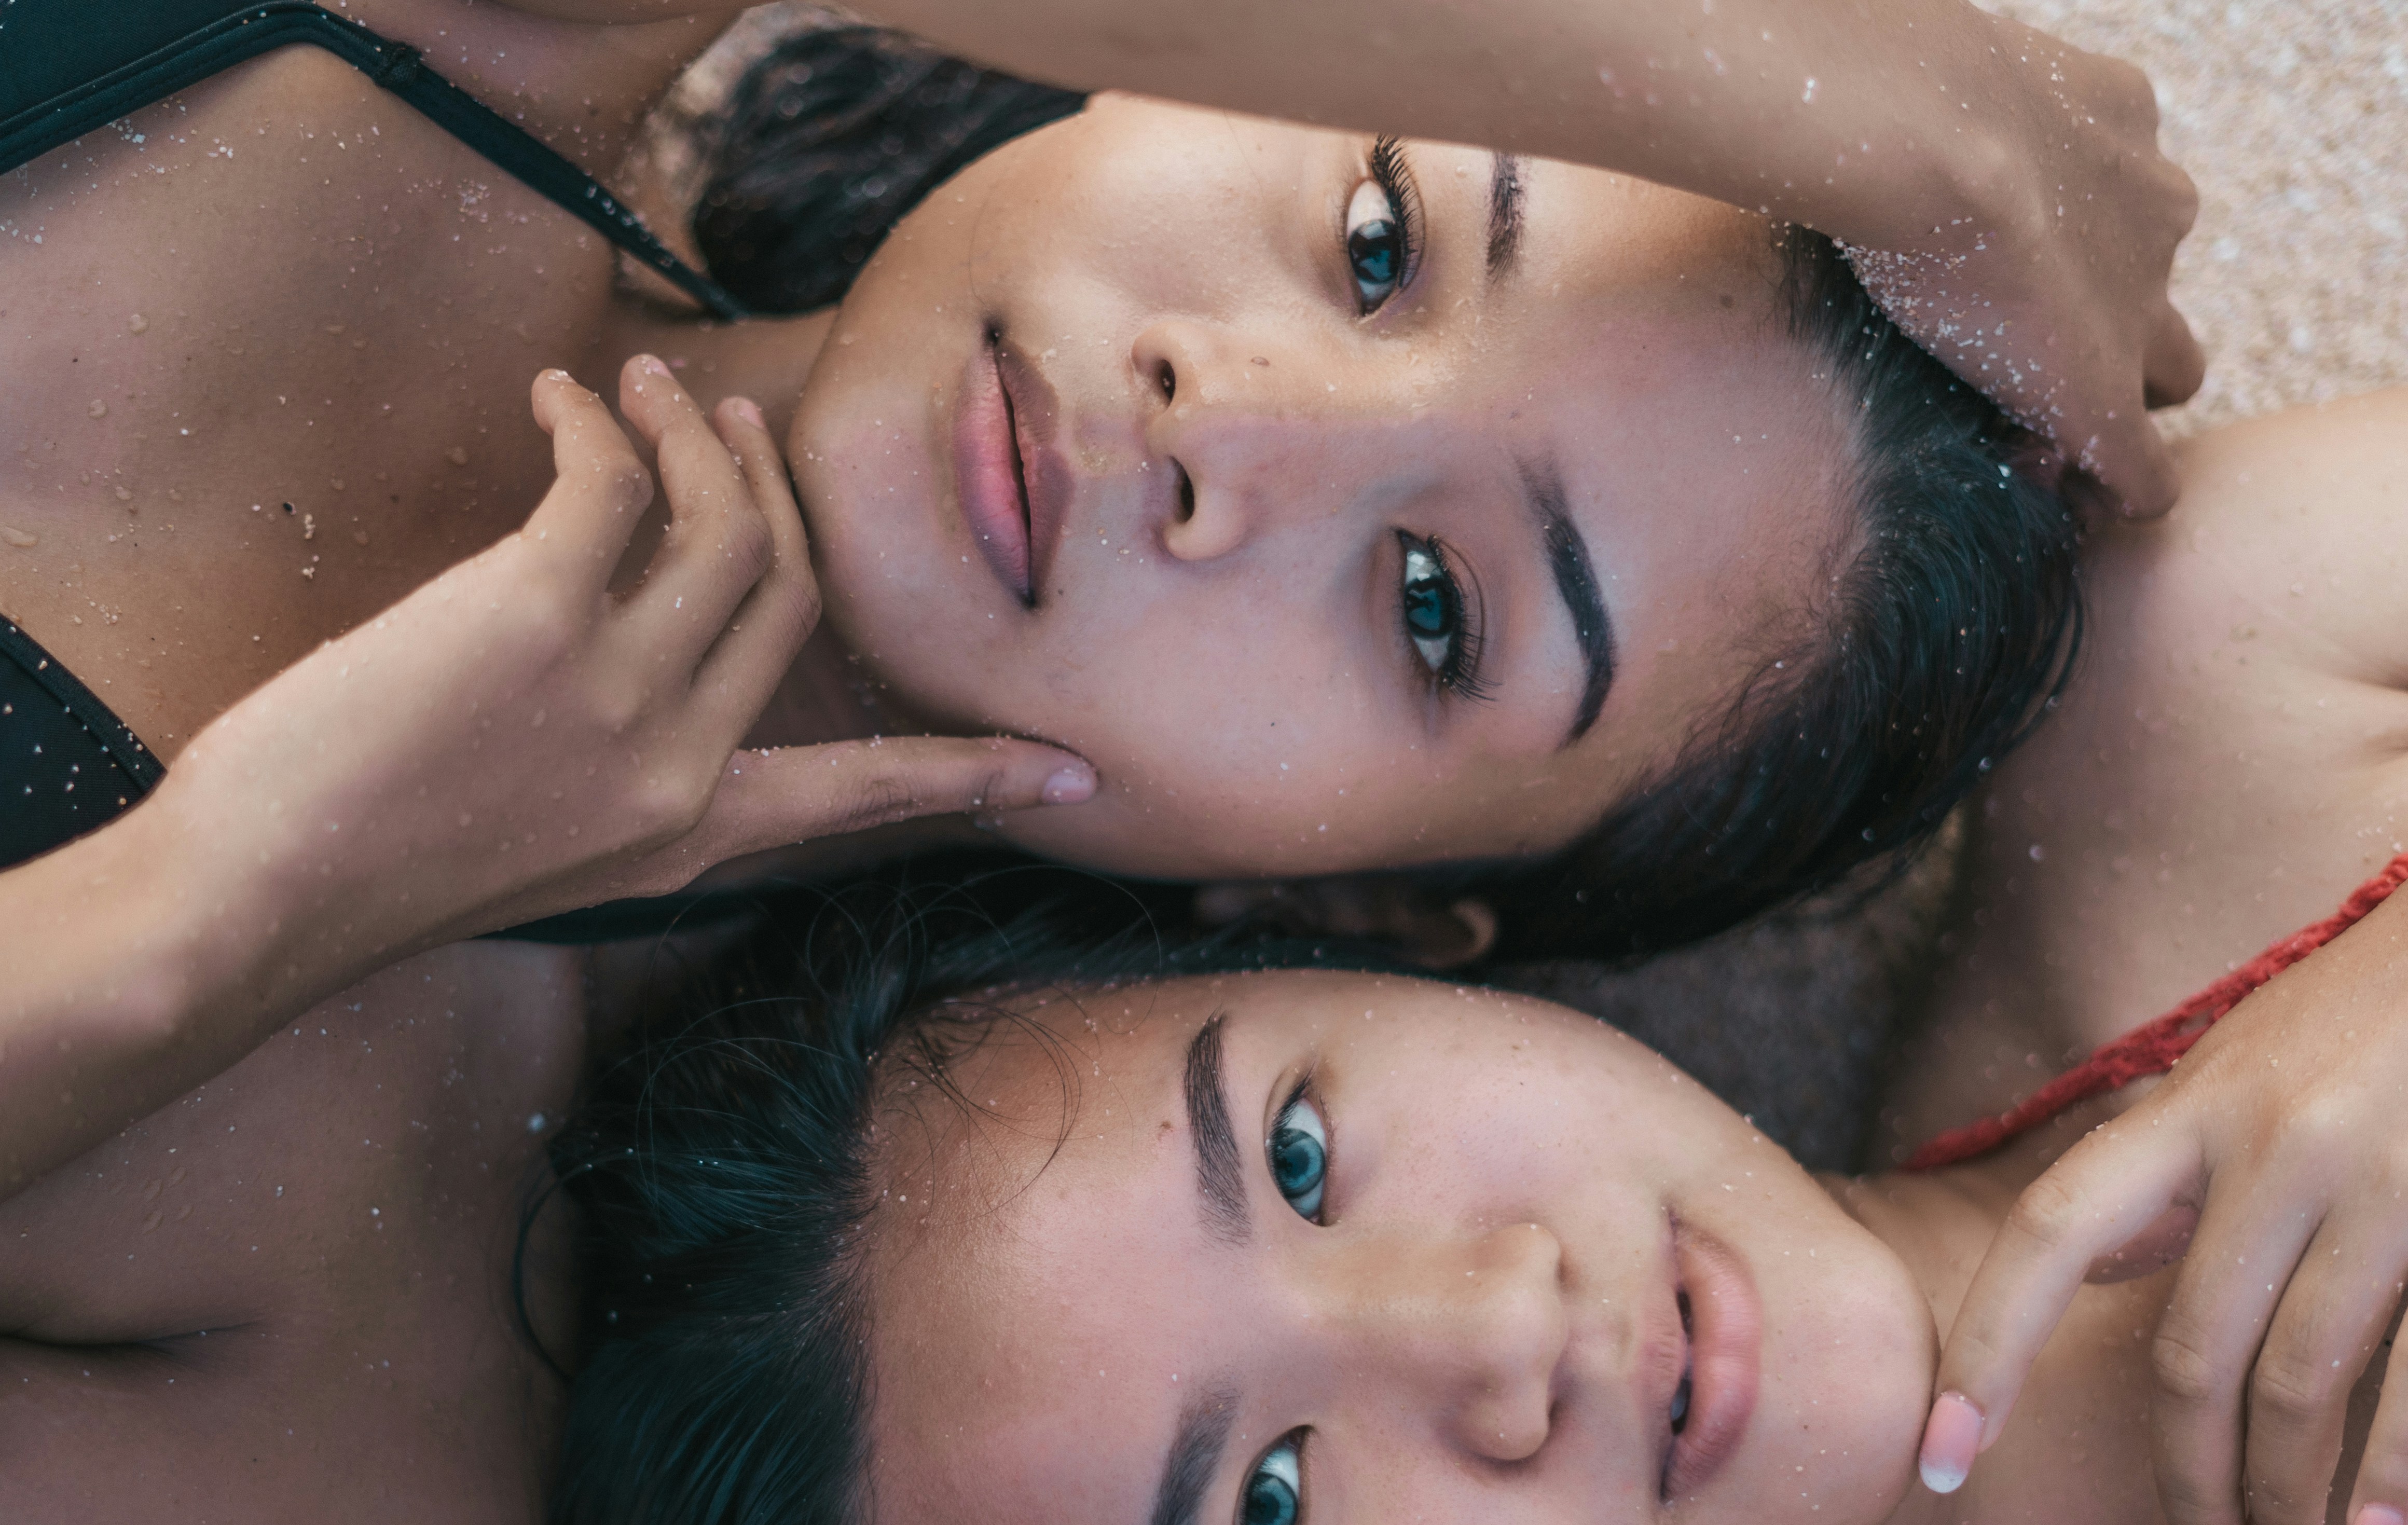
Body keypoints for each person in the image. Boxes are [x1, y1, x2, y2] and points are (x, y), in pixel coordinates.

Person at [548, 377, 2408, 1525]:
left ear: (1386, 956)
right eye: (1273, 1512)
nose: (1495, 1322)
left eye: (1302, 1150)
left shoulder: (2227, 687)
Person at [0, 0, 2196, 1203]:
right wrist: (1893, 112)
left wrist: (244, 907)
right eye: (1371, 240)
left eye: (1435, 606)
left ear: (1359, 905)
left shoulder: (352, 1392)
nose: (1217, 420)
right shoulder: (446, 28)